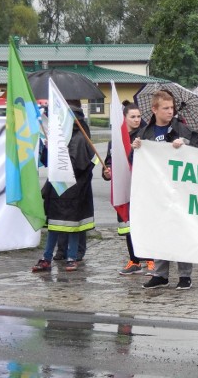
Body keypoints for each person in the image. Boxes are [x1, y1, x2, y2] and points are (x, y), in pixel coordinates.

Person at [131, 90, 198, 290]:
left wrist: (185, 144)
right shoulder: (145, 133)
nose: (170, 112)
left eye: (172, 108)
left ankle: (184, 275)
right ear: (154, 109)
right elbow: (136, 163)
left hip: (180, 190)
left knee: (182, 230)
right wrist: (135, 148)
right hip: (156, 192)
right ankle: (160, 274)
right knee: (159, 230)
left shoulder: (181, 129)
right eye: (166, 108)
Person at [32, 100, 96, 273]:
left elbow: (81, 165)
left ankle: (72, 257)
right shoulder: (58, 138)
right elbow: (47, 162)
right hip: (56, 189)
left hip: (75, 190)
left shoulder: (81, 138)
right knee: (54, 226)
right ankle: (46, 258)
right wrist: (47, 148)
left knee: (73, 226)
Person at [102, 102, 154, 275]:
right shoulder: (115, 139)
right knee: (127, 226)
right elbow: (109, 161)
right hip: (124, 188)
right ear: (124, 118)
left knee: (145, 224)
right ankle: (134, 261)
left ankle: (151, 260)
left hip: (142, 188)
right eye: (133, 117)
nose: (137, 119)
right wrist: (107, 171)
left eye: (139, 116)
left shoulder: (145, 136)